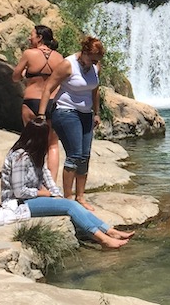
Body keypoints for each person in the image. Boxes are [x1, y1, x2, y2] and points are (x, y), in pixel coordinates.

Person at [0, 118, 133, 248]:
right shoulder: (20, 158)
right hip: (17, 204)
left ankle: (109, 231)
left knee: (71, 203)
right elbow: (19, 192)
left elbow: (47, 179)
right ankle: (103, 239)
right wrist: (44, 193)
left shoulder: (36, 154)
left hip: (32, 199)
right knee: (70, 207)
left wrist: (56, 194)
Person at [38, 36, 105, 211]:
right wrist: (41, 114)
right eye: (91, 59)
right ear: (84, 53)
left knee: (85, 156)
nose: (93, 63)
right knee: (74, 155)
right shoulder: (68, 65)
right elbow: (48, 88)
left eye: (96, 61)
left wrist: (97, 113)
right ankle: (68, 198)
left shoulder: (95, 67)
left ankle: (80, 197)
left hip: (86, 114)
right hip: (65, 111)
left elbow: (95, 91)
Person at [11, 25, 64, 180]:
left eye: (32, 35)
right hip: (53, 102)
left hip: (32, 101)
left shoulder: (29, 54)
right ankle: (52, 184)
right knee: (52, 144)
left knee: (30, 141)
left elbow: (15, 77)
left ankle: (32, 179)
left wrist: (23, 73)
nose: (29, 38)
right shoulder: (59, 57)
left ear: (39, 38)